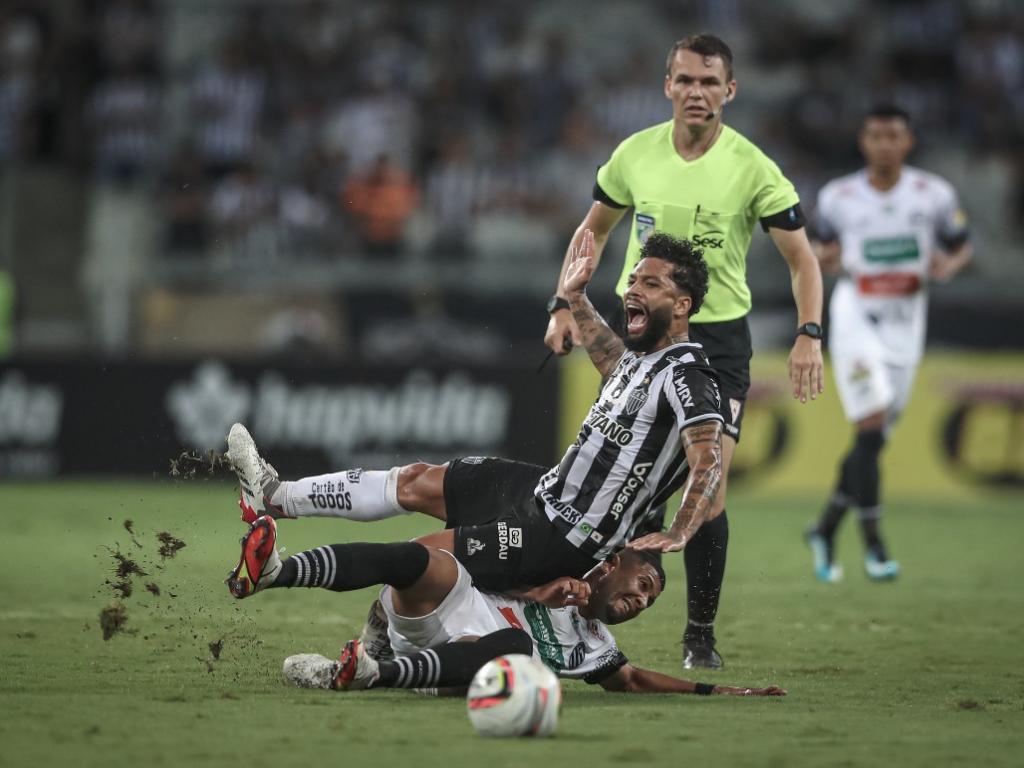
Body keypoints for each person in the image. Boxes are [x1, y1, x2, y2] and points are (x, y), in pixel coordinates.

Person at [227, 232, 723, 598]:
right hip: (543, 492)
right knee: (416, 480)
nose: (633, 290)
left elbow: (708, 459)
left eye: (650, 284)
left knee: (417, 557)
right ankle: (275, 497)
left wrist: (681, 528)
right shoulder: (641, 360)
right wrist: (575, 296)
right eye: (633, 279)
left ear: (682, 305)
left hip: (565, 536)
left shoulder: (689, 377)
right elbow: (610, 358)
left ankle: (287, 583)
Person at [543, 34, 824, 668]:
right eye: (687, 80)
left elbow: (803, 260)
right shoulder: (634, 154)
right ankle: (577, 608)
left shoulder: (754, 167)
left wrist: (809, 333)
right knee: (620, 489)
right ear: (668, 85)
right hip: (640, 335)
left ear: (731, 90)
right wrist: (562, 303)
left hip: (715, 345)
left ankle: (699, 634)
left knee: (709, 488)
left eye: (710, 81)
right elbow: (592, 232)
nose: (697, 92)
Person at [228, 513, 785, 697]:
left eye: (649, 600)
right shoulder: (554, 561)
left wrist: (722, 691)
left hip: (463, 665)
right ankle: (277, 572)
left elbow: (635, 680)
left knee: (518, 651)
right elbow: (487, 566)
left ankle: (372, 672)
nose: (641, 599)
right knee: (420, 558)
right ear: (613, 564)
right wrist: (535, 591)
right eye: (642, 583)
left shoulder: (598, 646)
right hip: (446, 608)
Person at [805, 105, 971, 582]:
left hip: (907, 322)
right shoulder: (839, 196)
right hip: (856, 314)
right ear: (863, 142)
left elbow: (961, 243)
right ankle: (875, 546)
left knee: (872, 440)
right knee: (872, 422)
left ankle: (823, 529)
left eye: (893, 136)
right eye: (875, 136)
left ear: (908, 142)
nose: (884, 144)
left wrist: (949, 265)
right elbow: (812, 247)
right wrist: (823, 257)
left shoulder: (934, 193)